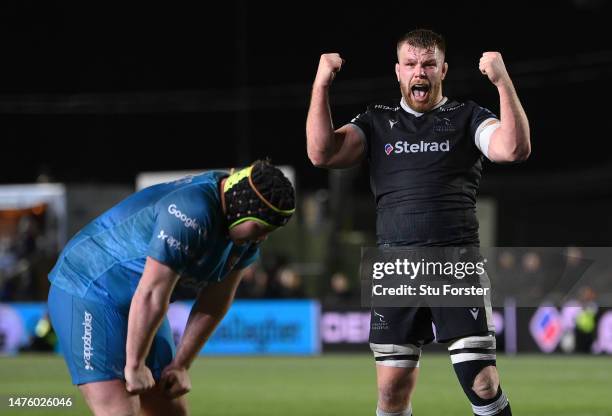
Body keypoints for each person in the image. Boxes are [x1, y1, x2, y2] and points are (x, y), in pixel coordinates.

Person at [306, 29, 530, 416]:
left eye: (428, 64)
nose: (419, 72)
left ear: (442, 69)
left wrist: (502, 80)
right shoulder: (377, 121)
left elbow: (513, 149)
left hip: (455, 265)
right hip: (397, 268)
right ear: (398, 71)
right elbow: (321, 153)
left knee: (482, 382)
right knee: (392, 393)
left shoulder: (467, 117)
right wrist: (322, 82)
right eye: (410, 64)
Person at [47, 160, 295, 416]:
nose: (263, 237)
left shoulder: (245, 237)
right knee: (120, 411)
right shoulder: (191, 211)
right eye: (260, 228)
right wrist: (134, 366)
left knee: (170, 410)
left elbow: (215, 301)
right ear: (242, 207)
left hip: (140, 301)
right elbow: (154, 292)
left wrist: (181, 365)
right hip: (88, 287)